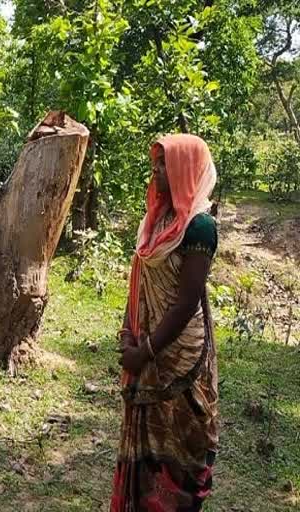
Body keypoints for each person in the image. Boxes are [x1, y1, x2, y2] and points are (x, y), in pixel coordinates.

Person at [111, 134, 219, 511]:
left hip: (178, 357)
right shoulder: (156, 220)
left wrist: (147, 351)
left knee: (181, 452)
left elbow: (187, 301)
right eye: (155, 163)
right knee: (147, 460)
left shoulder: (199, 227)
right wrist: (128, 335)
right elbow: (137, 283)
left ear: (184, 171)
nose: (156, 171)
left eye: (164, 165)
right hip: (145, 346)